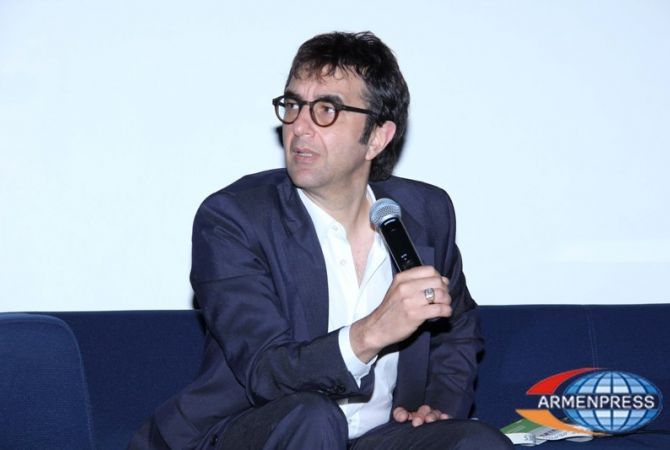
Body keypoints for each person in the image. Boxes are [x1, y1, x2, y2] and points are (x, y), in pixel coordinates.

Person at [129, 31, 512, 449]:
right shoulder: (233, 220)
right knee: (314, 417)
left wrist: (437, 406)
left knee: (478, 442)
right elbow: (266, 372)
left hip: (374, 438)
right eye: (293, 105)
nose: (299, 127)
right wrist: (371, 333)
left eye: (326, 110)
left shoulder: (425, 213)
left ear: (377, 137)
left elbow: (456, 328)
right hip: (251, 432)